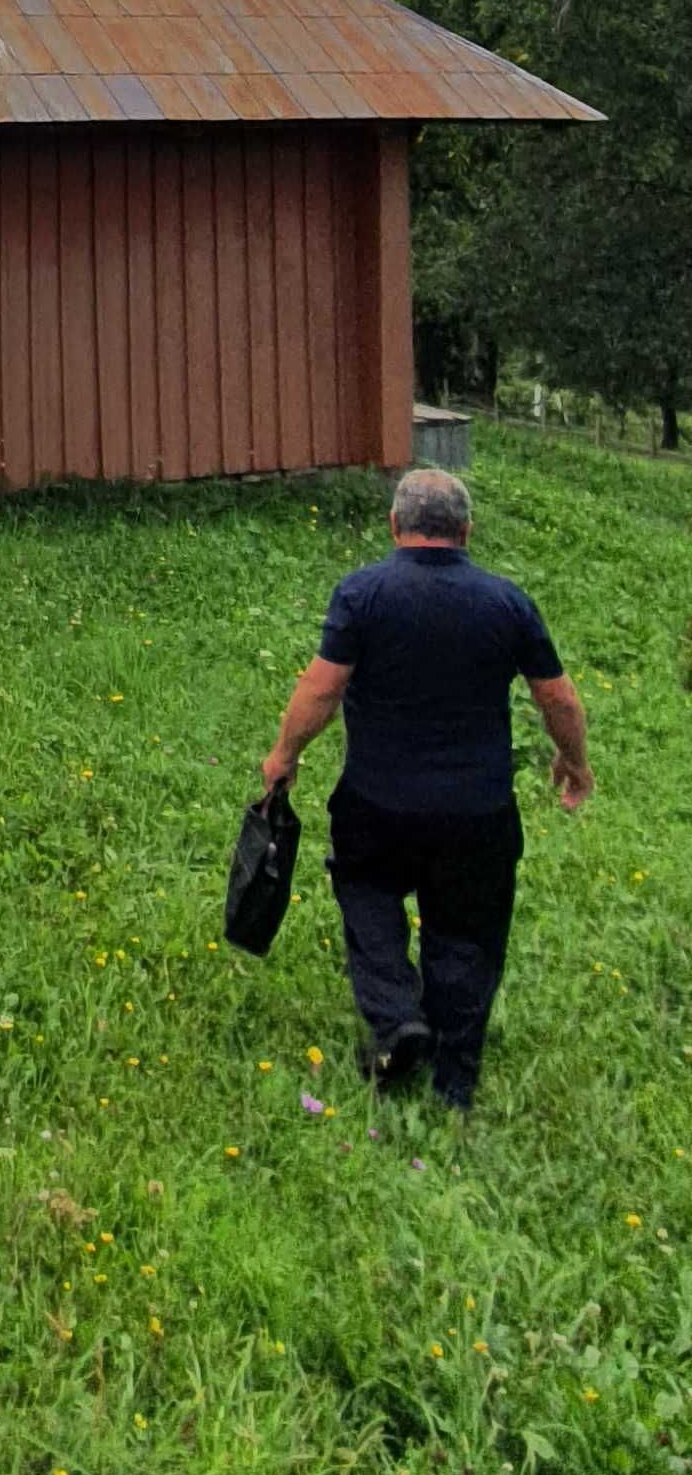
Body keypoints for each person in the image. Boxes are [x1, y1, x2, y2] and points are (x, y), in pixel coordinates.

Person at [261, 463, 591, 1109]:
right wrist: (573, 760)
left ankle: (395, 1020)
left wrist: (285, 754)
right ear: (466, 531)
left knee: (366, 891)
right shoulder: (507, 602)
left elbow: (322, 687)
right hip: (478, 811)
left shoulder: (363, 593)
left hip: (376, 804)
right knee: (467, 933)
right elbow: (557, 696)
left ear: (394, 526)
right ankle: (453, 1080)